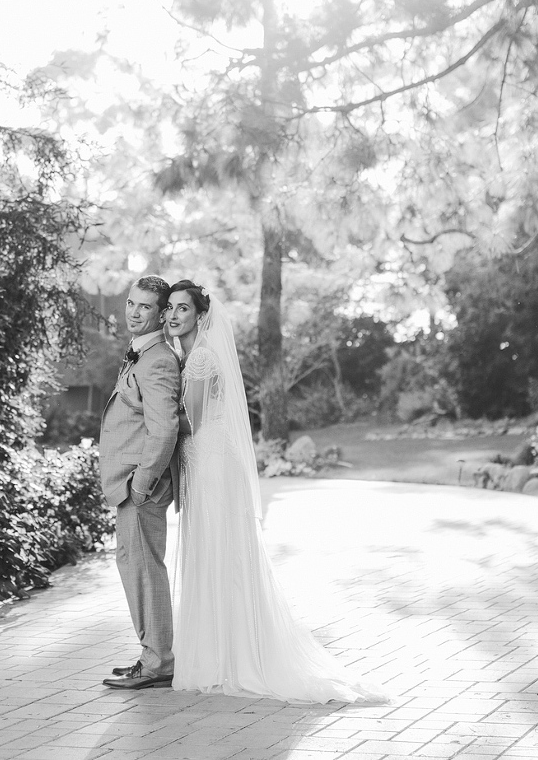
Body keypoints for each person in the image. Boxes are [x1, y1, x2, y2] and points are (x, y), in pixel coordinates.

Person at [164, 279, 387, 704]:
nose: (174, 315)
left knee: (218, 552)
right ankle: (225, 648)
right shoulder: (189, 355)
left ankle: (227, 657)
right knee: (218, 553)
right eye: (170, 308)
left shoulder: (198, 361)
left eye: (183, 309)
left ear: (200, 315)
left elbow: (188, 419)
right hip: (209, 460)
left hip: (210, 464)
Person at [98, 275, 184, 690]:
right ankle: (152, 655)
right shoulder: (141, 353)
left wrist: (141, 483)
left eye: (145, 307)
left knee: (145, 571)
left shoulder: (158, 360)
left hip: (141, 484)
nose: (133, 312)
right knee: (136, 568)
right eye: (131, 303)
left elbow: (164, 429)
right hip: (131, 481)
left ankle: (157, 664)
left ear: (161, 312)